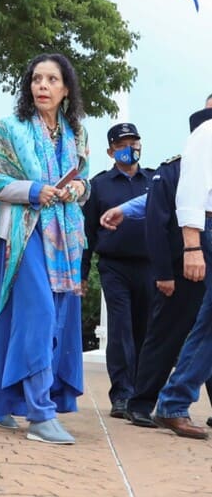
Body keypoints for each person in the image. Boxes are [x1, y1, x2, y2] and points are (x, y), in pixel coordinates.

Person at [0, 53, 90, 445]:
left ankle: (0, 399)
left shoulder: (77, 134)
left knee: (36, 318)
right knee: (38, 313)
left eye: (52, 79)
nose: (43, 86)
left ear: (66, 89)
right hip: (24, 233)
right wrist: (34, 190)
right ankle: (40, 414)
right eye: (37, 78)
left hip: (65, 239)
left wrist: (78, 188)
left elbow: (85, 181)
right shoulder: (11, 128)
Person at [99, 102, 212, 428]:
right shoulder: (174, 169)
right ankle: (139, 401)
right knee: (162, 335)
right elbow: (155, 221)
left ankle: (172, 401)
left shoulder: (154, 174)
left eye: (133, 143)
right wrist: (164, 273)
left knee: (202, 332)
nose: (130, 149)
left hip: (184, 261)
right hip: (177, 265)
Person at [147, 107, 212, 439]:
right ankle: (173, 401)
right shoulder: (208, 132)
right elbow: (190, 193)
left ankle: (174, 401)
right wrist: (191, 246)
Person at [81, 122, 154, 419]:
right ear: (111, 151)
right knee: (121, 330)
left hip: (150, 266)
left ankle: (142, 395)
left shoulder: (155, 181)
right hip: (114, 266)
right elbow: (87, 233)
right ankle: (122, 394)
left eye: (133, 143)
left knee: (145, 332)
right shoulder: (99, 185)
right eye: (122, 145)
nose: (130, 149)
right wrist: (82, 274)